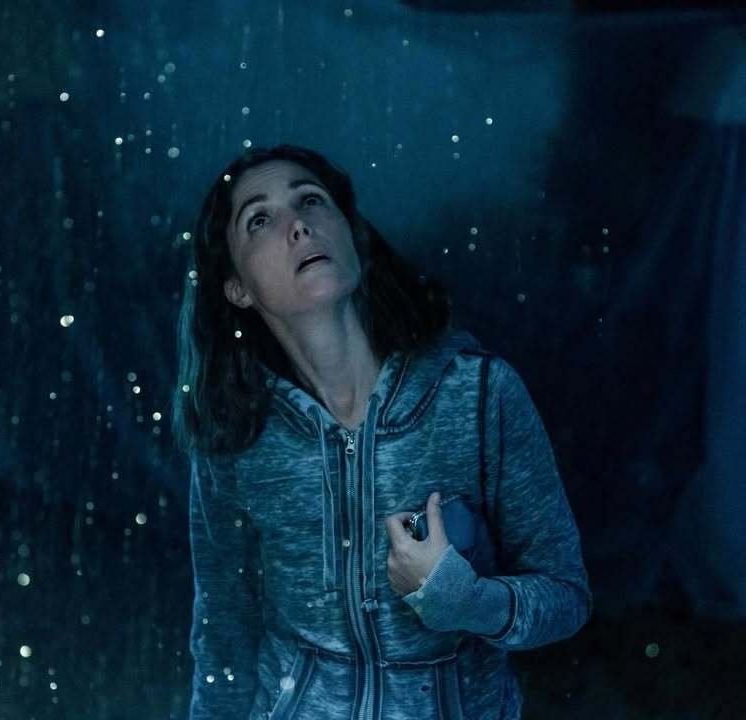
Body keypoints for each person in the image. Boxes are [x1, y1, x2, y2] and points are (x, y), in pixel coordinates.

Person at [170, 143, 592, 720]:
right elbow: (223, 631)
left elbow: (566, 594)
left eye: (311, 200)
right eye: (260, 219)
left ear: (353, 236)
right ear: (237, 288)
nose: (298, 225)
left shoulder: (479, 394)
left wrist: (466, 601)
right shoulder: (235, 437)